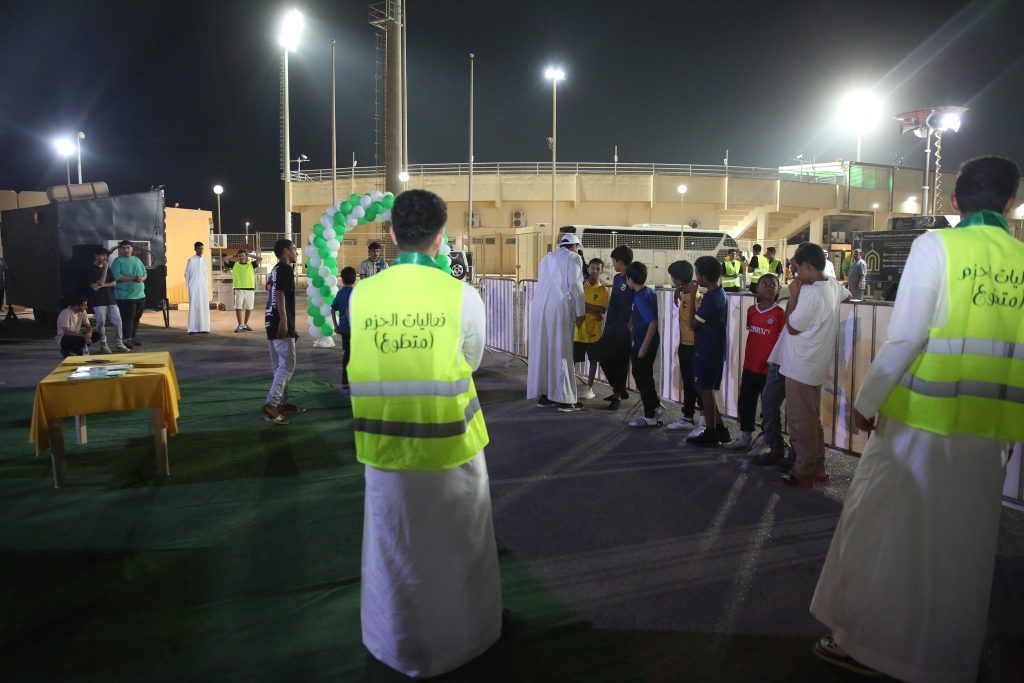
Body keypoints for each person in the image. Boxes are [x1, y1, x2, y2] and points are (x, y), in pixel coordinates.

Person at [810, 156, 1023, 683]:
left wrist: (866, 401)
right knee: (965, 549)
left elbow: (906, 336)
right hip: (990, 433)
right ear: (1010, 203)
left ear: (954, 202)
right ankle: (946, 661)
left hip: (919, 425)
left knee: (884, 533)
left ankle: (868, 647)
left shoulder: (937, 246)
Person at [348, 189, 501, 678]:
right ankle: (465, 638)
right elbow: (471, 361)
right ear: (441, 237)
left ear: (392, 235)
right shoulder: (463, 296)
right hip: (452, 445)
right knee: (461, 545)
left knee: (394, 549)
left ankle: (393, 641)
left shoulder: (363, 295)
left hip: (385, 447)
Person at [772, 242, 850, 487]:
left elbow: (792, 326)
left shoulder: (811, 293)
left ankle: (802, 471)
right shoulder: (833, 285)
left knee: (799, 421)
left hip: (801, 364)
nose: (795, 274)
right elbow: (848, 295)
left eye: (797, 268)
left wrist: (794, 296)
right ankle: (817, 466)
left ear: (807, 266)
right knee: (811, 418)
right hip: (815, 363)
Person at [526, 232, 586, 411]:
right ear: (574, 246)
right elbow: (574, 284)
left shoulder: (547, 258)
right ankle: (566, 399)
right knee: (562, 350)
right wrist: (581, 311)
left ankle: (546, 394)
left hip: (540, 306)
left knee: (545, 350)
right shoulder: (573, 258)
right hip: (559, 307)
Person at [725, 273, 784, 450]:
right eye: (764, 284)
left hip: (769, 370)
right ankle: (745, 436)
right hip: (750, 366)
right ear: (757, 288)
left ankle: (768, 440)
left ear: (778, 290)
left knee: (769, 407)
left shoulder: (780, 314)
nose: (768, 288)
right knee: (746, 401)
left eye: (772, 285)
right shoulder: (751, 310)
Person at [686, 256, 731, 446]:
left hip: (707, 349)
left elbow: (692, 323)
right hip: (712, 348)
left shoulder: (712, 299)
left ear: (703, 277)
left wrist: (692, 297)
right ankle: (719, 429)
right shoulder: (719, 293)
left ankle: (712, 432)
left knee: (705, 389)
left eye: (697, 274)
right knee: (705, 389)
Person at [263, 238, 301, 425]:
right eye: (293, 249)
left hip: (271, 320)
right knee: (287, 365)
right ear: (286, 251)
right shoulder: (285, 269)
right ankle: (272, 404)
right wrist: (285, 322)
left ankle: (279, 403)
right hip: (279, 321)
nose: (296, 252)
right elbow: (279, 294)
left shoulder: (276, 269)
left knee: (279, 365)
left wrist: (290, 326)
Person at [598, 245, 636, 411]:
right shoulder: (616, 278)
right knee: (603, 356)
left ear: (620, 261)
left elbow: (636, 301)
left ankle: (617, 395)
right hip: (611, 325)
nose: (612, 264)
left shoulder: (632, 278)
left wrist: (630, 324)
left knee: (621, 361)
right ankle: (619, 389)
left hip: (624, 327)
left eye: (614, 261)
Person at [666, 260, 702, 432]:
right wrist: (678, 293)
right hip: (684, 344)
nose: (672, 280)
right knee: (688, 382)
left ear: (678, 279)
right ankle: (689, 417)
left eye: (672, 277)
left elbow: (693, 321)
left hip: (693, 346)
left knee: (694, 384)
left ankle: (699, 420)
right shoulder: (685, 293)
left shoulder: (694, 296)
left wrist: (683, 295)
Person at [625, 262, 662, 427]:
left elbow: (653, 322)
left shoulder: (641, 297)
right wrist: (631, 322)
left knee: (641, 377)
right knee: (644, 375)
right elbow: (640, 313)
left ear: (630, 279)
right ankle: (655, 406)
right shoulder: (646, 291)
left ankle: (650, 416)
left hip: (644, 343)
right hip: (645, 341)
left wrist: (644, 347)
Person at [573, 257, 608, 400]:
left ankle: (589, 388)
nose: (594, 271)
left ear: (601, 271)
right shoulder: (580, 285)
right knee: (573, 360)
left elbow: (602, 309)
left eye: (598, 269)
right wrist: (594, 311)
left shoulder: (602, 290)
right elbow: (573, 302)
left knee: (593, 361)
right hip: (578, 331)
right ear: (588, 269)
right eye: (592, 268)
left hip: (594, 332)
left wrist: (583, 305)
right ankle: (569, 386)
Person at [84, 246, 130, 353]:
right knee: (100, 323)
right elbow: (96, 285)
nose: (105, 258)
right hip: (98, 301)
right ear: (96, 256)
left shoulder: (108, 268)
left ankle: (119, 343)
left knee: (118, 321)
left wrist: (102, 284)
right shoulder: (90, 270)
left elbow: (113, 283)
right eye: (103, 255)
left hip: (111, 299)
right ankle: (103, 345)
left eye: (106, 256)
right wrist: (104, 269)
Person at [109, 240, 147, 348]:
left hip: (140, 295)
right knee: (128, 318)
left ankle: (132, 337)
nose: (126, 250)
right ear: (120, 250)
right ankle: (126, 339)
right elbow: (116, 276)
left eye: (128, 248)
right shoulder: (118, 261)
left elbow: (145, 273)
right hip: (125, 296)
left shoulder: (137, 260)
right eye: (123, 248)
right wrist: (133, 278)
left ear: (132, 249)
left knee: (136, 318)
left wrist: (142, 278)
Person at [330, 266, 357, 390]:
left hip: (345, 329)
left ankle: (345, 380)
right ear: (355, 279)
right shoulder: (358, 292)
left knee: (347, 353)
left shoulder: (340, 293)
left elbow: (333, 309)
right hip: (357, 330)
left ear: (342, 279)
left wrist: (336, 326)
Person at [225, 248, 262, 332]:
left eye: (243, 256)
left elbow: (260, 259)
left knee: (249, 308)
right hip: (239, 290)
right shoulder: (234, 265)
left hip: (250, 289)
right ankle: (240, 325)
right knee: (238, 307)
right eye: (239, 256)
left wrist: (249, 255)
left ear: (245, 256)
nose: (241, 257)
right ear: (237, 257)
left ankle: (245, 324)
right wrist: (234, 255)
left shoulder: (251, 265)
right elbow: (225, 259)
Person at [184, 242, 210, 335]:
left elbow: (206, 275)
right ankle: (192, 329)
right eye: (199, 248)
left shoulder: (205, 261)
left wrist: (206, 285)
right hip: (194, 287)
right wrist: (189, 285)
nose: (201, 250)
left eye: (202, 248)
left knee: (203, 306)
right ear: (195, 249)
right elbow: (186, 274)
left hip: (203, 287)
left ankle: (204, 328)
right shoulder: (191, 260)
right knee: (194, 307)